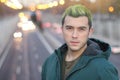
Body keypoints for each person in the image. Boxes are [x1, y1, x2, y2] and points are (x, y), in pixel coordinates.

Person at [41, 4, 119, 80]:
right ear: (62, 30)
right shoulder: (49, 62)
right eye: (69, 28)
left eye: (81, 29)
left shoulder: (104, 70)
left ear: (90, 32)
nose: (74, 35)